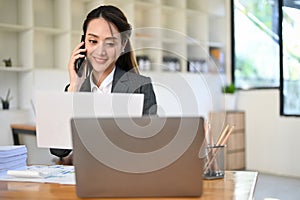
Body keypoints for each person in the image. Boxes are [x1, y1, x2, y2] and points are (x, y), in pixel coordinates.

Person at [50, 5, 157, 163]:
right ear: (83, 43)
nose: (100, 51)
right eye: (93, 41)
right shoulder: (75, 89)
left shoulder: (140, 86)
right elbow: (58, 150)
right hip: (85, 176)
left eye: (110, 43)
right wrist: (74, 89)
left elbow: (152, 145)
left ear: (123, 45)